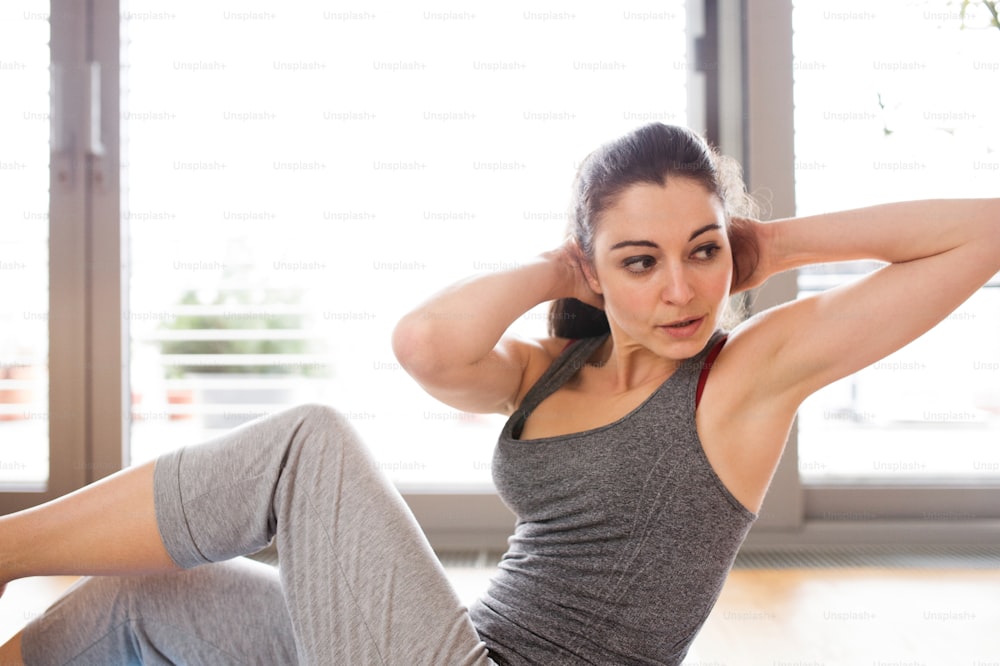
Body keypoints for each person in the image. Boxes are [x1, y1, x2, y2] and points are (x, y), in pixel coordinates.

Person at [0, 123, 997, 665]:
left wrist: (768, 242)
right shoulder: (548, 370)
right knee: (134, 598)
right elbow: (426, 342)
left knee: (308, 445)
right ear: (592, 270)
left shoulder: (738, 384)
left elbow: (984, 229)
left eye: (700, 253)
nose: (682, 288)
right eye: (640, 261)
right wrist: (551, 274)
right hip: (464, 647)